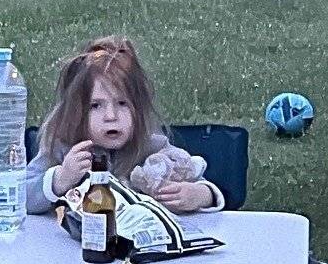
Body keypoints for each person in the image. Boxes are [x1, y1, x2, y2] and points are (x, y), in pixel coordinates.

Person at [31, 36, 225, 213]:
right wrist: (60, 179)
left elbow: (201, 184)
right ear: (76, 112)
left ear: (138, 109)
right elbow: (20, 195)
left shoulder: (152, 147)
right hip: (78, 239)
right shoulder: (63, 149)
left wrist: (198, 195)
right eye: (95, 105)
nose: (111, 116)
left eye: (122, 103)